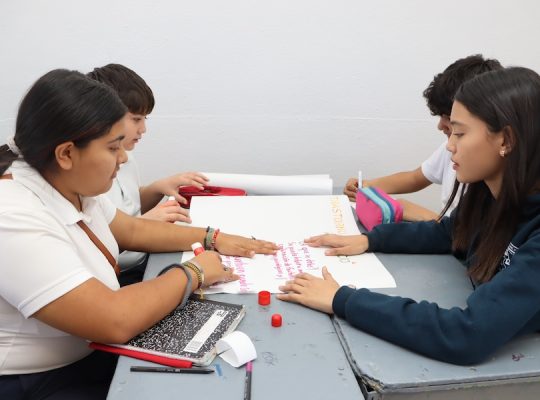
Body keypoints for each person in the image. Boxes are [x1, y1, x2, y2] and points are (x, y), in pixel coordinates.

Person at [0, 69, 277, 399]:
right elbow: (114, 320)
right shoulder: (12, 214)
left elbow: (130, 229)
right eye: (113, 148)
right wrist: (194, 272)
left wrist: (212, 237)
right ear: (67, 153)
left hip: (88, 352)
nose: (123, 158)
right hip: (38, 381)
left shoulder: (65, 180)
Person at [279, 66, 540, 365]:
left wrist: (343, 299)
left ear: (505, 140)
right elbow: (451, 233)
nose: (449, 145)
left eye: (459, 133)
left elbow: (465, 334)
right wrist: (370, 240)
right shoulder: (490, 193)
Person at [343, 55, 502, 221]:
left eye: (449, 119)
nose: (440, 126)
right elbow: (415, 178)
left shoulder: (494, 179)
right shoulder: (451, 147)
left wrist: (426, 217)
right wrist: (367, 186)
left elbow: (474, 233)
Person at [87, 64, 207, 274]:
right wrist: (144, 224)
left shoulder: (127, 157)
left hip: (144, 259)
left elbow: (128, 207)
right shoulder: (88, 175)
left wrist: (157, 188)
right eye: (136, 119)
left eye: (145, 119)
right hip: (118, 272)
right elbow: (93, 241)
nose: (143, 129)